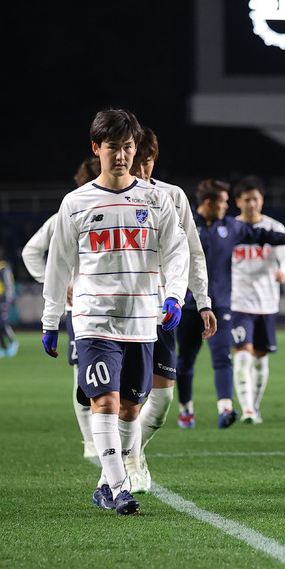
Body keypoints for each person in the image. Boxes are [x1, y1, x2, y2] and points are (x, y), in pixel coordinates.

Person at [41, 108, 190, 516]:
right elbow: (57, 264)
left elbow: (177, 252)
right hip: (93, 319)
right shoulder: (76, 203)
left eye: (127, 147)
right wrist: (51, 320)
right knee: (104, 402)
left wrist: (174, 296)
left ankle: (105, 485)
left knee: (129, 409)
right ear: (97, 148)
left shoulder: (155, 200)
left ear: (135, 148)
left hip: (142, 320)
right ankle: (120, 488)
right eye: (113, 147)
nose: (121, 155)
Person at [175, 178, 285, 429]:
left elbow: (263, 234)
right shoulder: (184, 225)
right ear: (208, 203)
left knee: (223, 357)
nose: (226, 206)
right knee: (185, 360)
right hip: (187, 304)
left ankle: (225, 409)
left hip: (219, 305)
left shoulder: (230, 227)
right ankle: (186, 410)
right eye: (223, 201)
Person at [124, 128, 216, 492]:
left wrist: (203, 302)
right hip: (122, 311)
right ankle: (124, 466)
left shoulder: (172, 196)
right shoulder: (110, 199)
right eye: (137, 162)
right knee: (124, 400)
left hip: (163, 308)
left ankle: (132, 454)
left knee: (161, 402)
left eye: (147, 162)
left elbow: (192, 251)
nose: (141, 170)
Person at [23, 156, 100, 459]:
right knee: (83, 376)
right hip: (80, 311)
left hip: (120, 308)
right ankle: (91, 442)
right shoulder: (64, 216)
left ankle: (111, 441)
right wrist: (57, 283)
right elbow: (31, 252)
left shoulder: (123, 210)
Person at [230, 175, 285, 424]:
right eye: (247, 199)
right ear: (238, 201)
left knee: (260, 359)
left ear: (262, 200)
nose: (252, 204)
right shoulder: (230, 229)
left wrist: (284, 272)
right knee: (242, 355)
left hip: (266, 302)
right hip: (238, 302)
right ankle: (247, 409)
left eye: (255, 199)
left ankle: (255, 407)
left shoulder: (274, 228)